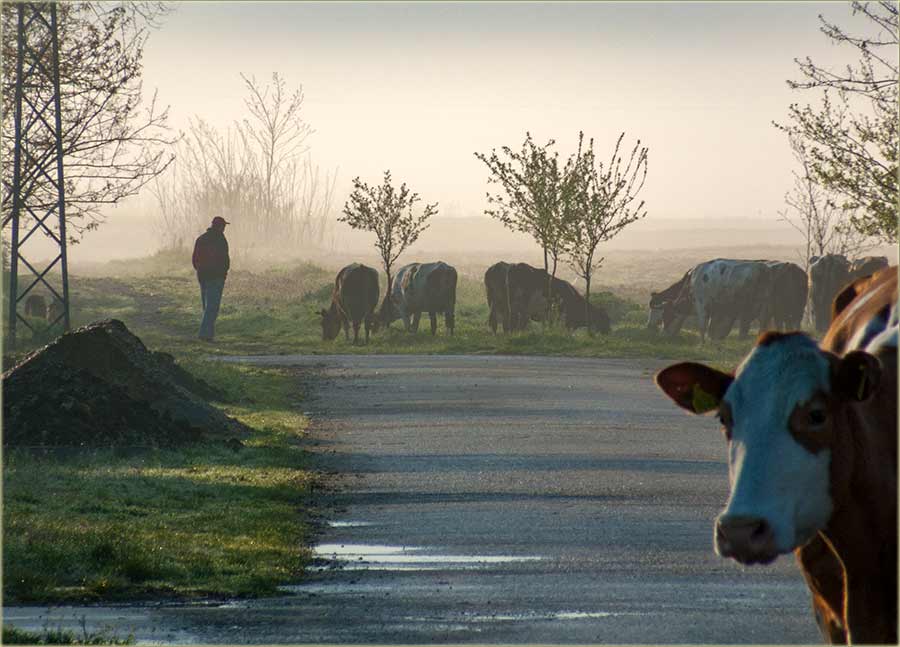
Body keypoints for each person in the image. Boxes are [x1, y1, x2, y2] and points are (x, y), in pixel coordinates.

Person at [192, 216, 230, 341]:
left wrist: (200, 270)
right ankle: (205, 335)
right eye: (223, 226)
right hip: (216, 277)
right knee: (212, 308)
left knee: (207, 307)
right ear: (220, 226)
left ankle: (209, 334)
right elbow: (224, 259)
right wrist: (223, 274)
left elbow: (195, 259)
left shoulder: (201, 239)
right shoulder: (220, 239)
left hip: (203, 276)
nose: (224, 228)